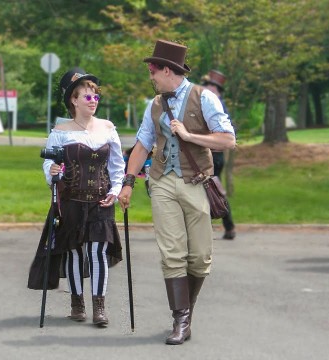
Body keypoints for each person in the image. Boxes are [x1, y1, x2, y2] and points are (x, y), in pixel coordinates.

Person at [118, 40, 236, 345]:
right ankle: (180, 319)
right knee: (172, 253)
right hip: (161, 181)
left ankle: (187, 309)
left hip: (196, 181)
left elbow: (227, 140)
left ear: (168, 70)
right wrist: (128, 183)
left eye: (153, 71)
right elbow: (142, 144)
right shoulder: (154, 104)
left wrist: (189, 135)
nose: (151, 78)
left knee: (200, 258)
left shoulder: (205, 98)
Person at [28, 67, 124, 327]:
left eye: (95, 97)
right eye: (87, 97)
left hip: (100, 200)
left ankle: (99, 306)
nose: (93, 101)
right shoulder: (61, 131)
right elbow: (48, 165)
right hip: (71, 199)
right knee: (73, 252)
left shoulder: (107, 128)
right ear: (73, 100)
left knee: (97, 252)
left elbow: (117, 165)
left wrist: (115, 191)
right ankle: (77, 303)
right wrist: (53, 171)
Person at [201, 69, 237, 240]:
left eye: (210, 86)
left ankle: (209, 227)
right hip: (208, 153)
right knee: (211, 189)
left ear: (217, 90)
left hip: (214, 154)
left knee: (210, 189)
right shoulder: (208, 103)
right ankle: (225, 226)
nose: (206, 88)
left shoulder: (217, 106)